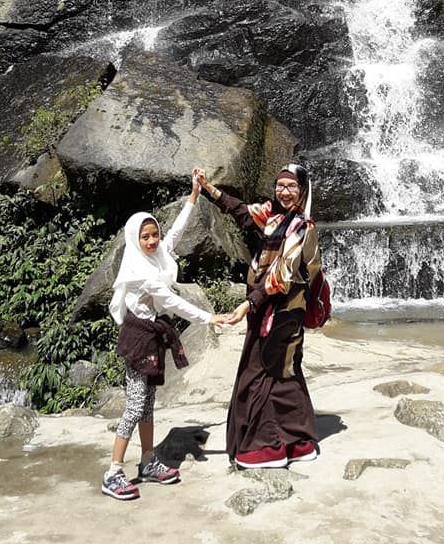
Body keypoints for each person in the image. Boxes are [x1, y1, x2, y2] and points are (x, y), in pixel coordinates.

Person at [102, 172, 230, 501]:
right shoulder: (140, 269)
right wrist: (209, 318)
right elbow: (171, 301)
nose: (152, 241)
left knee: (147, 407)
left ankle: (147, 462)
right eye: (144, 237)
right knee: (133, 407)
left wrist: (193, 195)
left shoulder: (158, 253)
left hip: (153, 333)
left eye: (153, 234)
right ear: (134, 239)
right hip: (138, 337)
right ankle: (113, 472)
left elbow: (176, 232)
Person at [194, 162, 321, 469]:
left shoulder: (301, 228)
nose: (284, 191)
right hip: (269, 307)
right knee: (283, 369)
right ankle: (300, 441)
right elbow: (241, 211)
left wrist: (248, 305)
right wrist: (208, 188)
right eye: (280, 185)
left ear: (302, 191)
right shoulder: (273, 215)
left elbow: (282, 275)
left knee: (262, 371)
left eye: (291, 186)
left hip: (282, 308)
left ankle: (269, 446)